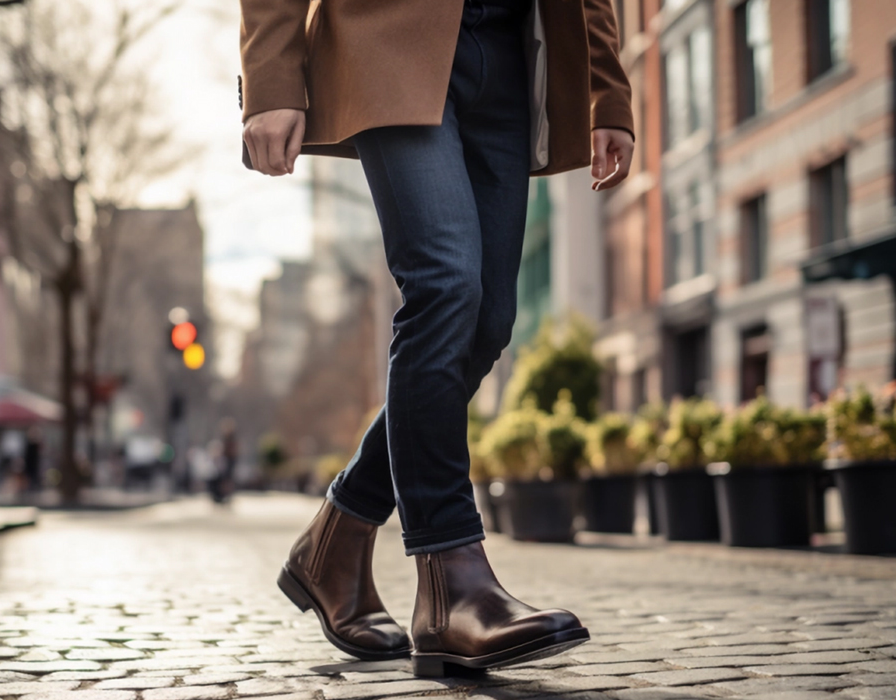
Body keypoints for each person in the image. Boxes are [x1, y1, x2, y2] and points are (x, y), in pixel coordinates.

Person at [239, 0, 634, 677]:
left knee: (484, 324)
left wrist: (607, 86)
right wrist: (271, 79)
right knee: (445, 284)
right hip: (385, 35)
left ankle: (335, 540)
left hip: (511, 49)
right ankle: (451, 583)